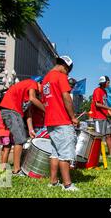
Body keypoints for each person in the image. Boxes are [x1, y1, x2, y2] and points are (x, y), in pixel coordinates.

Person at [43, 56, 79, 191]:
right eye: (68, 70)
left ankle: (53, 182)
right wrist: (73, 117)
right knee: (65, 153)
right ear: (65, 66)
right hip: (62, 120)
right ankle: (67, 184)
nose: (68, 74)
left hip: (50, 120)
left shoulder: (46, 79)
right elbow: (66, 97)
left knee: (55, 153)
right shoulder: (60, 76)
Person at [0, 77, 45, 175]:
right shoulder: (33, 83)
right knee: (19, 139)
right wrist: (46, 111)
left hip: (15, 111)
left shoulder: (28, 93)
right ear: (40, 83)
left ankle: (15, 168)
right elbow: (33, 99)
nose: (40, 94)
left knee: (21, 139)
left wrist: (30, 129)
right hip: (10, 109)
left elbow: (28, 113)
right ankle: (17, 170)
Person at [91, 76, 111, 154]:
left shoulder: (104, 92)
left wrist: (109, 112)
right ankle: (97, 155)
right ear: (104, 82)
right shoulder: (97, 91)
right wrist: (109, 108)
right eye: (108, 82)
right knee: (99, 137)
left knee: (108, 135)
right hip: (98, 118)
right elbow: (97, 104)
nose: (109, 84)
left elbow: (104, 104)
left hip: (104, 117)